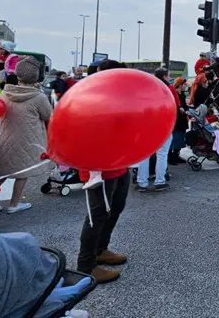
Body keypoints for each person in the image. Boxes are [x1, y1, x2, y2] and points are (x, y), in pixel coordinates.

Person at [77, 59, 131, 284]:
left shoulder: (119, 99)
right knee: (97, 215)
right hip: (98, 167)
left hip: (120, 164)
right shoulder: (91, 99)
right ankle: (86, 265)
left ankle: (101, 249)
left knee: (115, 209)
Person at [0, 57, 53, 214]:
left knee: (3, 172)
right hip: (28, 139)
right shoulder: (38, 97)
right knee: (22, 172)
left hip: (7, 137)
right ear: (36, 77)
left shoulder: (5, 92)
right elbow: (49, 115)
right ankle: (14, 204)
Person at [136, 67, 179, 192]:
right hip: (163, 125)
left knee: (144, 154)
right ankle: (160, 181)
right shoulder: (168, 89)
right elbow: (175, 106)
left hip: (146, 125)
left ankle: (142, 182)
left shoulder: (146, 89)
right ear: (165, 77)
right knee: (162, 154)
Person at [169, 77, 189, 165]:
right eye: (184, 84)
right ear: (180, 85)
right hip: (177, 119)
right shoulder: (175, 94)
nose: (186, 86)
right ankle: (171, 157)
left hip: (182, 119)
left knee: (180, 138)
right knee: (175, 138)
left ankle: (176, 155)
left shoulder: (182, 94)